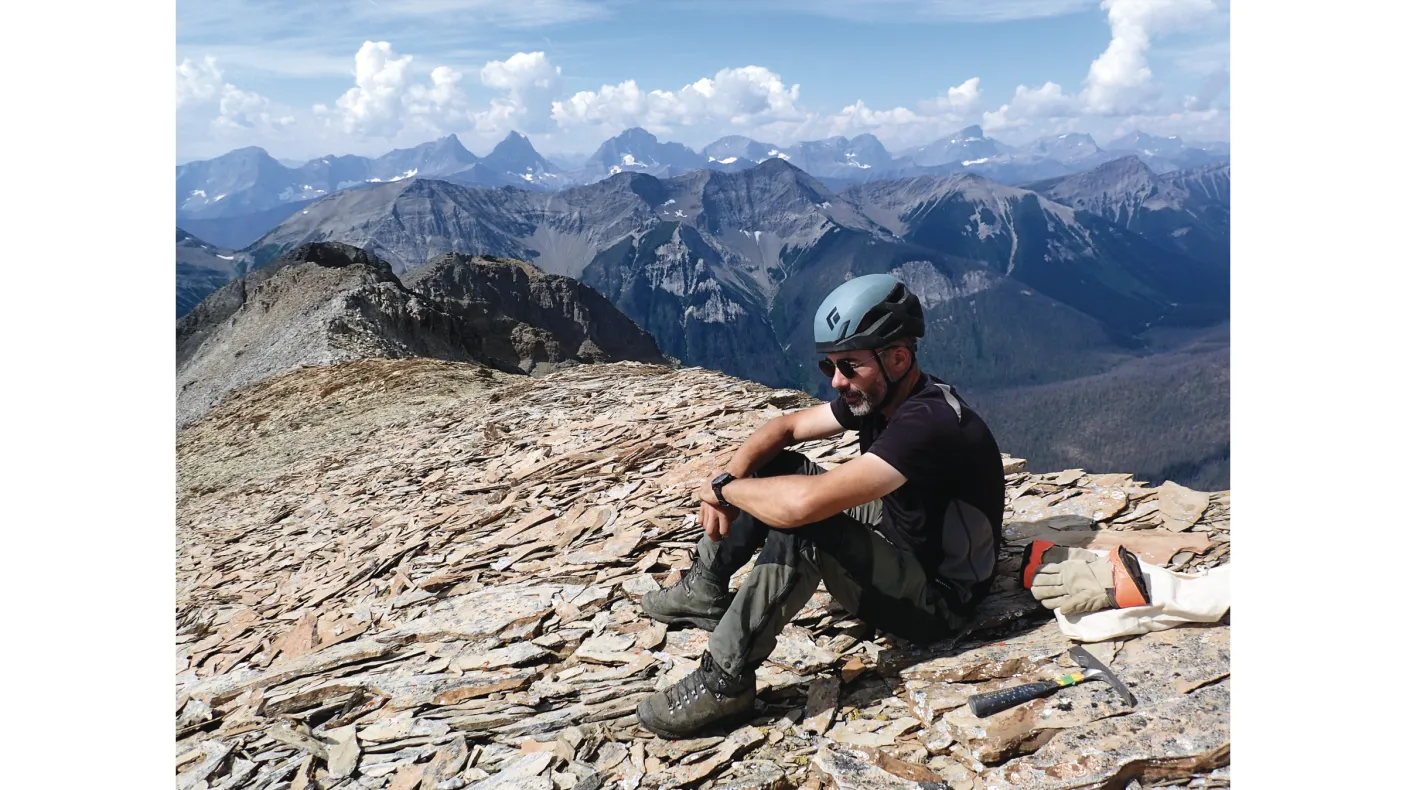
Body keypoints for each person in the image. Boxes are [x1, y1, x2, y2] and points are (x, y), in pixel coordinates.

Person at [634, 273, 1008, 739]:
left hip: (940, 600)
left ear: (897, 357)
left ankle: (725, 680)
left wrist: (724, 489)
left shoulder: (927, 423)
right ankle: (705, 586)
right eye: (828, 366)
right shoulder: (882, 394)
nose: (837, 381)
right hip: (901, 537)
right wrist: (732, 476)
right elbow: (785, 430)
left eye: (848, 366)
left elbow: (803, 507)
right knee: (779, 466)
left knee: (804, 526)